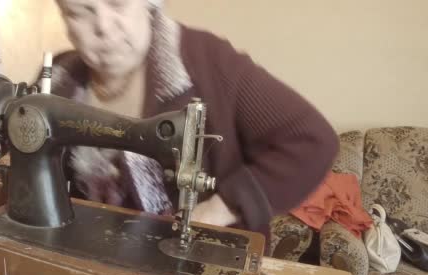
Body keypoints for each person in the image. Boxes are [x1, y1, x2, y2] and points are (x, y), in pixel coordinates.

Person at [41, 0, 340, 241]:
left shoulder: (209, 62)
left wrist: (219, 209)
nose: (104, 28)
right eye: (80, 12)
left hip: (201, 265)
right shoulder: (55, 83)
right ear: (64, 19)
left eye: (118, 4)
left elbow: (311, 140)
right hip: (89, 264)